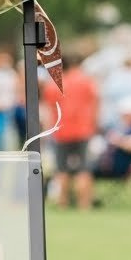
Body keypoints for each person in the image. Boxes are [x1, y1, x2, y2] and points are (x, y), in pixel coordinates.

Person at [43, 51, 100, 209]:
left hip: (61, 130)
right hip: (84, 129)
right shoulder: (87, 81)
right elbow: (96, 102)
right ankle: (85, 204)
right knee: (84, 168)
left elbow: (49, 108)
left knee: (62, 169)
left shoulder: (54, 84)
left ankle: (63, 202)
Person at [93, 95, 131, 181]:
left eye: (125, 113)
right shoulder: (124, 128)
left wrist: (117, 140)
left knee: (83, 170)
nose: (122, 115)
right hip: (107, 165)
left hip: (116, 169)